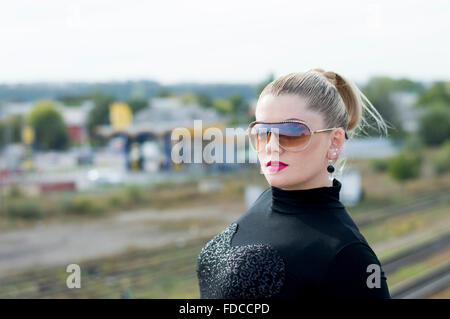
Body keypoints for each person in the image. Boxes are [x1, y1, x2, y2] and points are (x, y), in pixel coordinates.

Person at [196, 68, 392, 299]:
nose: (272, 146)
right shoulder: (265, 201)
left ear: (334, 142)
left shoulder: (348, 254)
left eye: (292, 132)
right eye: (262, 132)